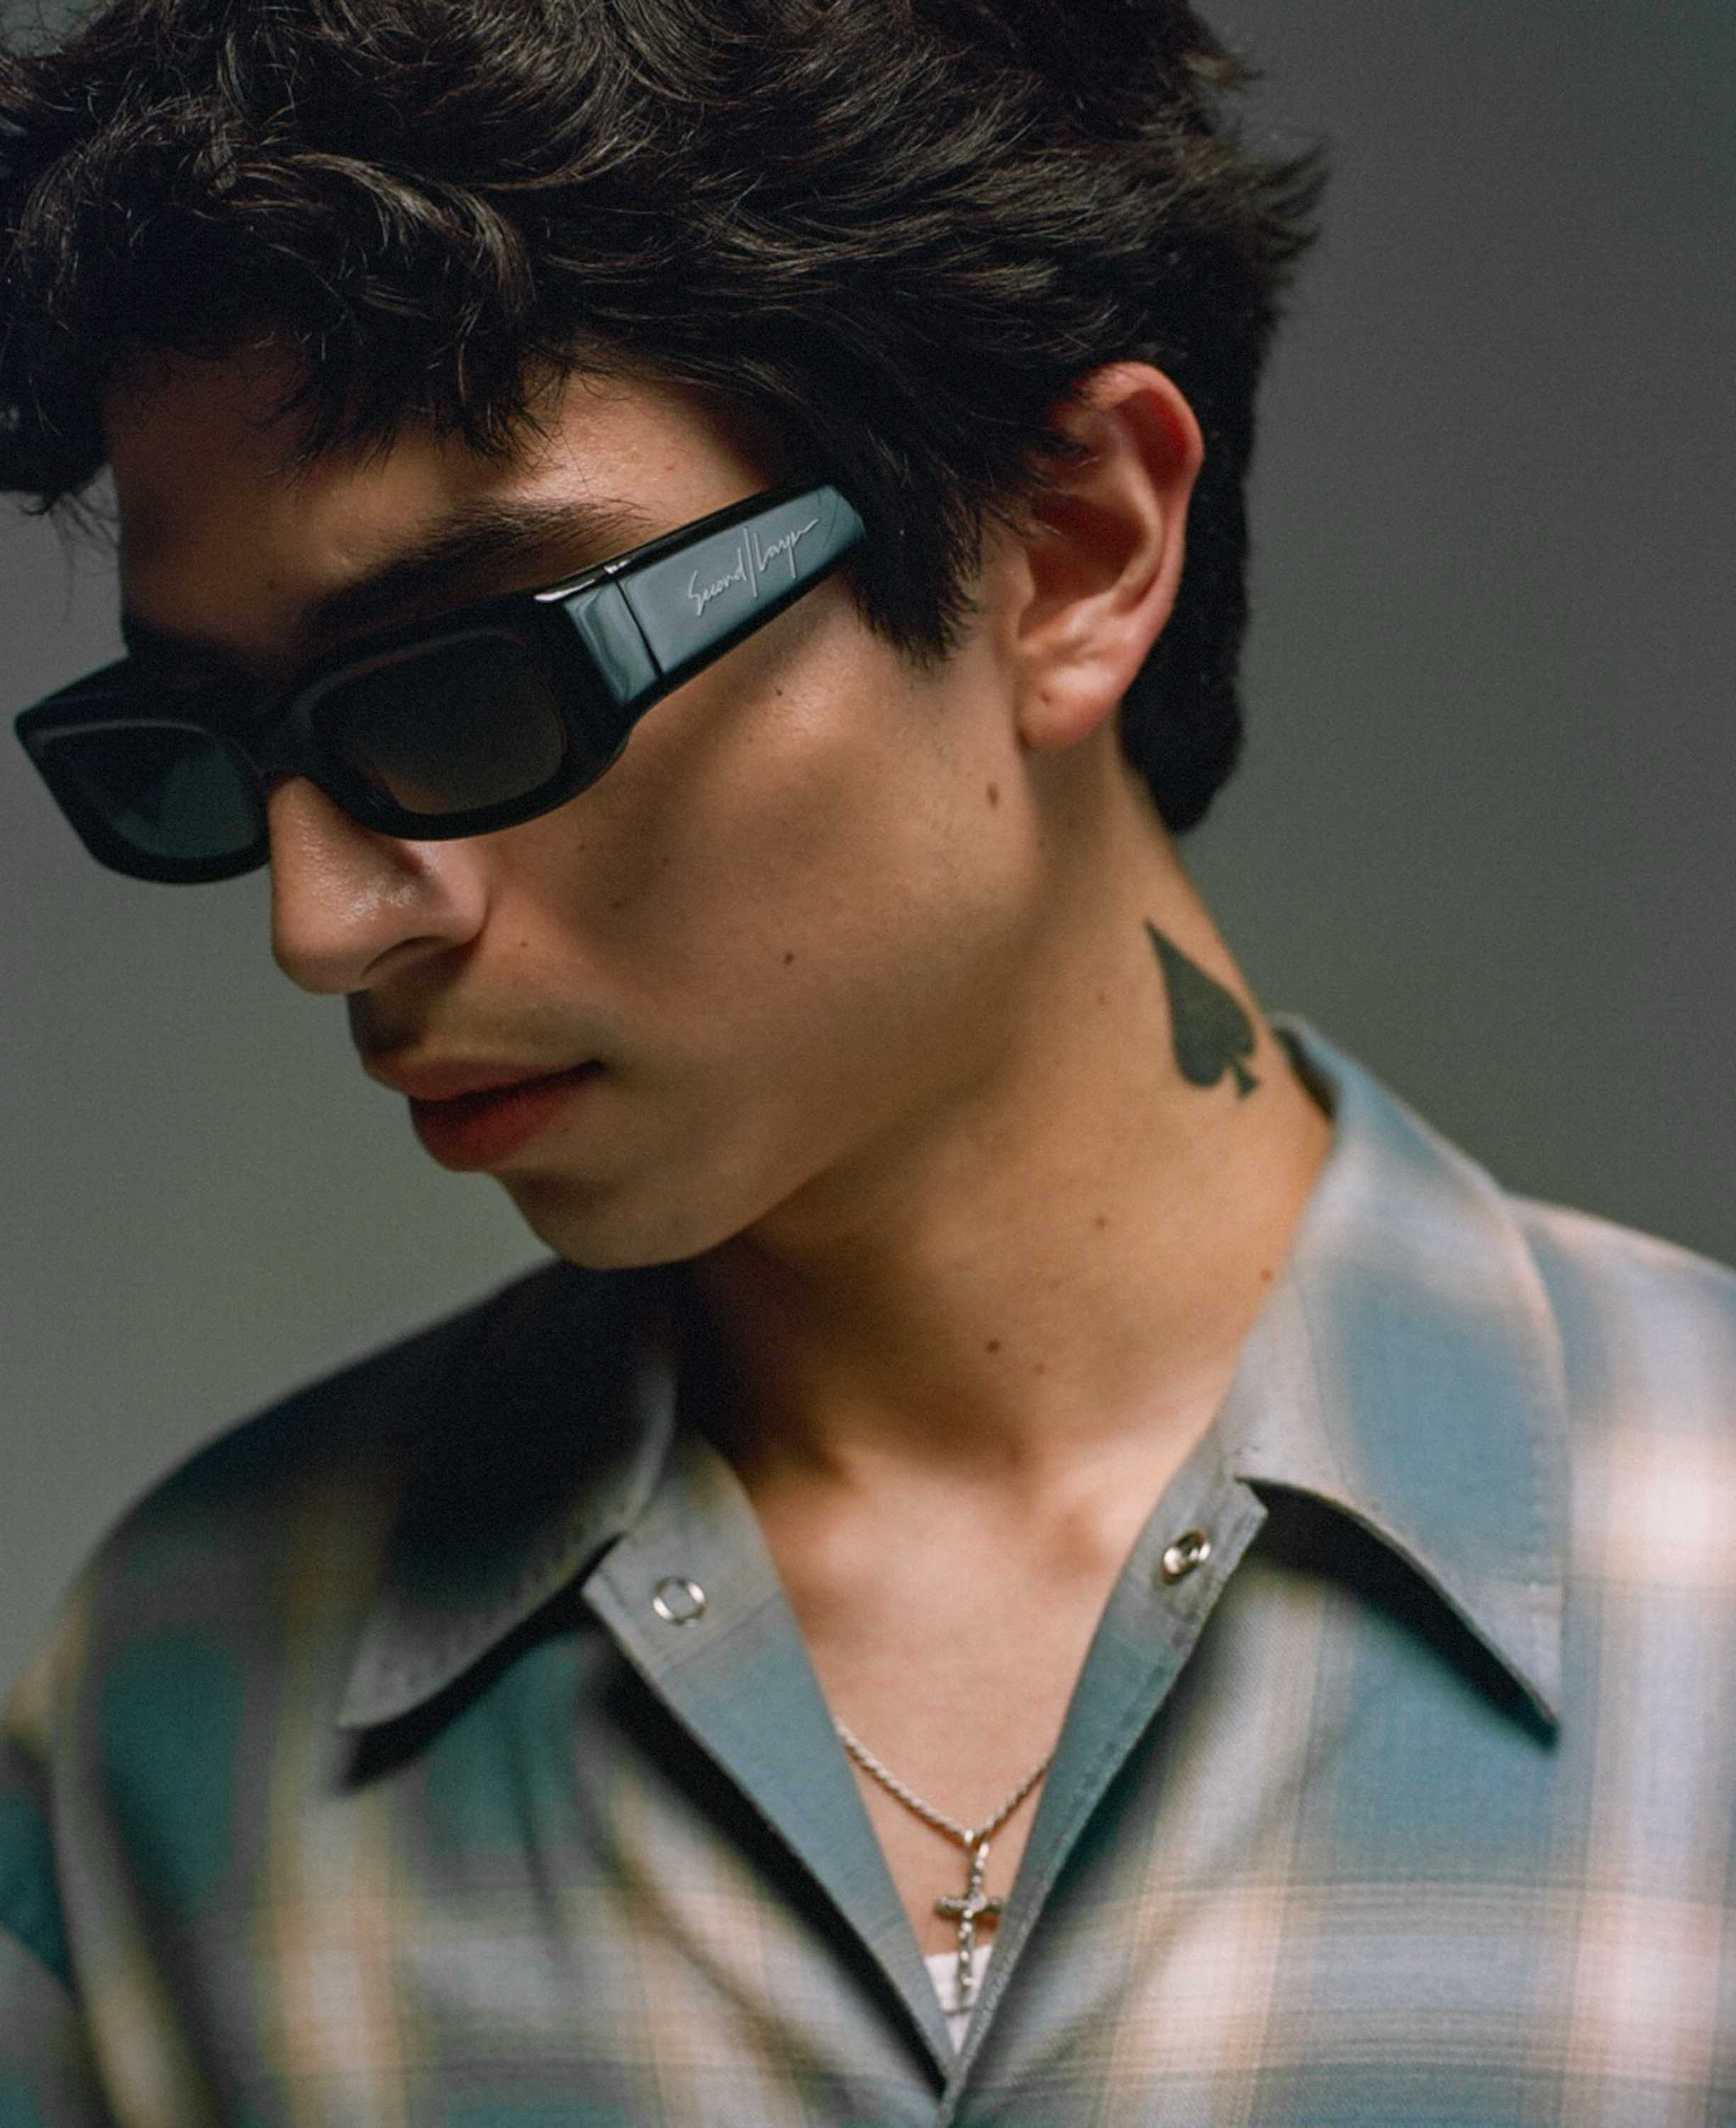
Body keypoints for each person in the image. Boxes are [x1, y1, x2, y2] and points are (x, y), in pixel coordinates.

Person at [2, 0, 1732, 2121]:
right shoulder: (174, 1709)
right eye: (212, 758)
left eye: (483, 684)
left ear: (1073, 549)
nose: (325, 919)